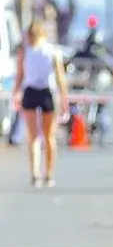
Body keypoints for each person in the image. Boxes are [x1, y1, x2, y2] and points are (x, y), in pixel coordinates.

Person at [12, 20, 68, 187]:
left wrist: (63, 97)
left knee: (41, 136)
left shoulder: (44, 51)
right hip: (39, 92)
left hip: (39, 92)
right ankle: (42, 173)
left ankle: (43, 173)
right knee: (41, 136)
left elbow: (59, 77)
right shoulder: (37, 51)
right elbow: (59, 77)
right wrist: (16, 93)